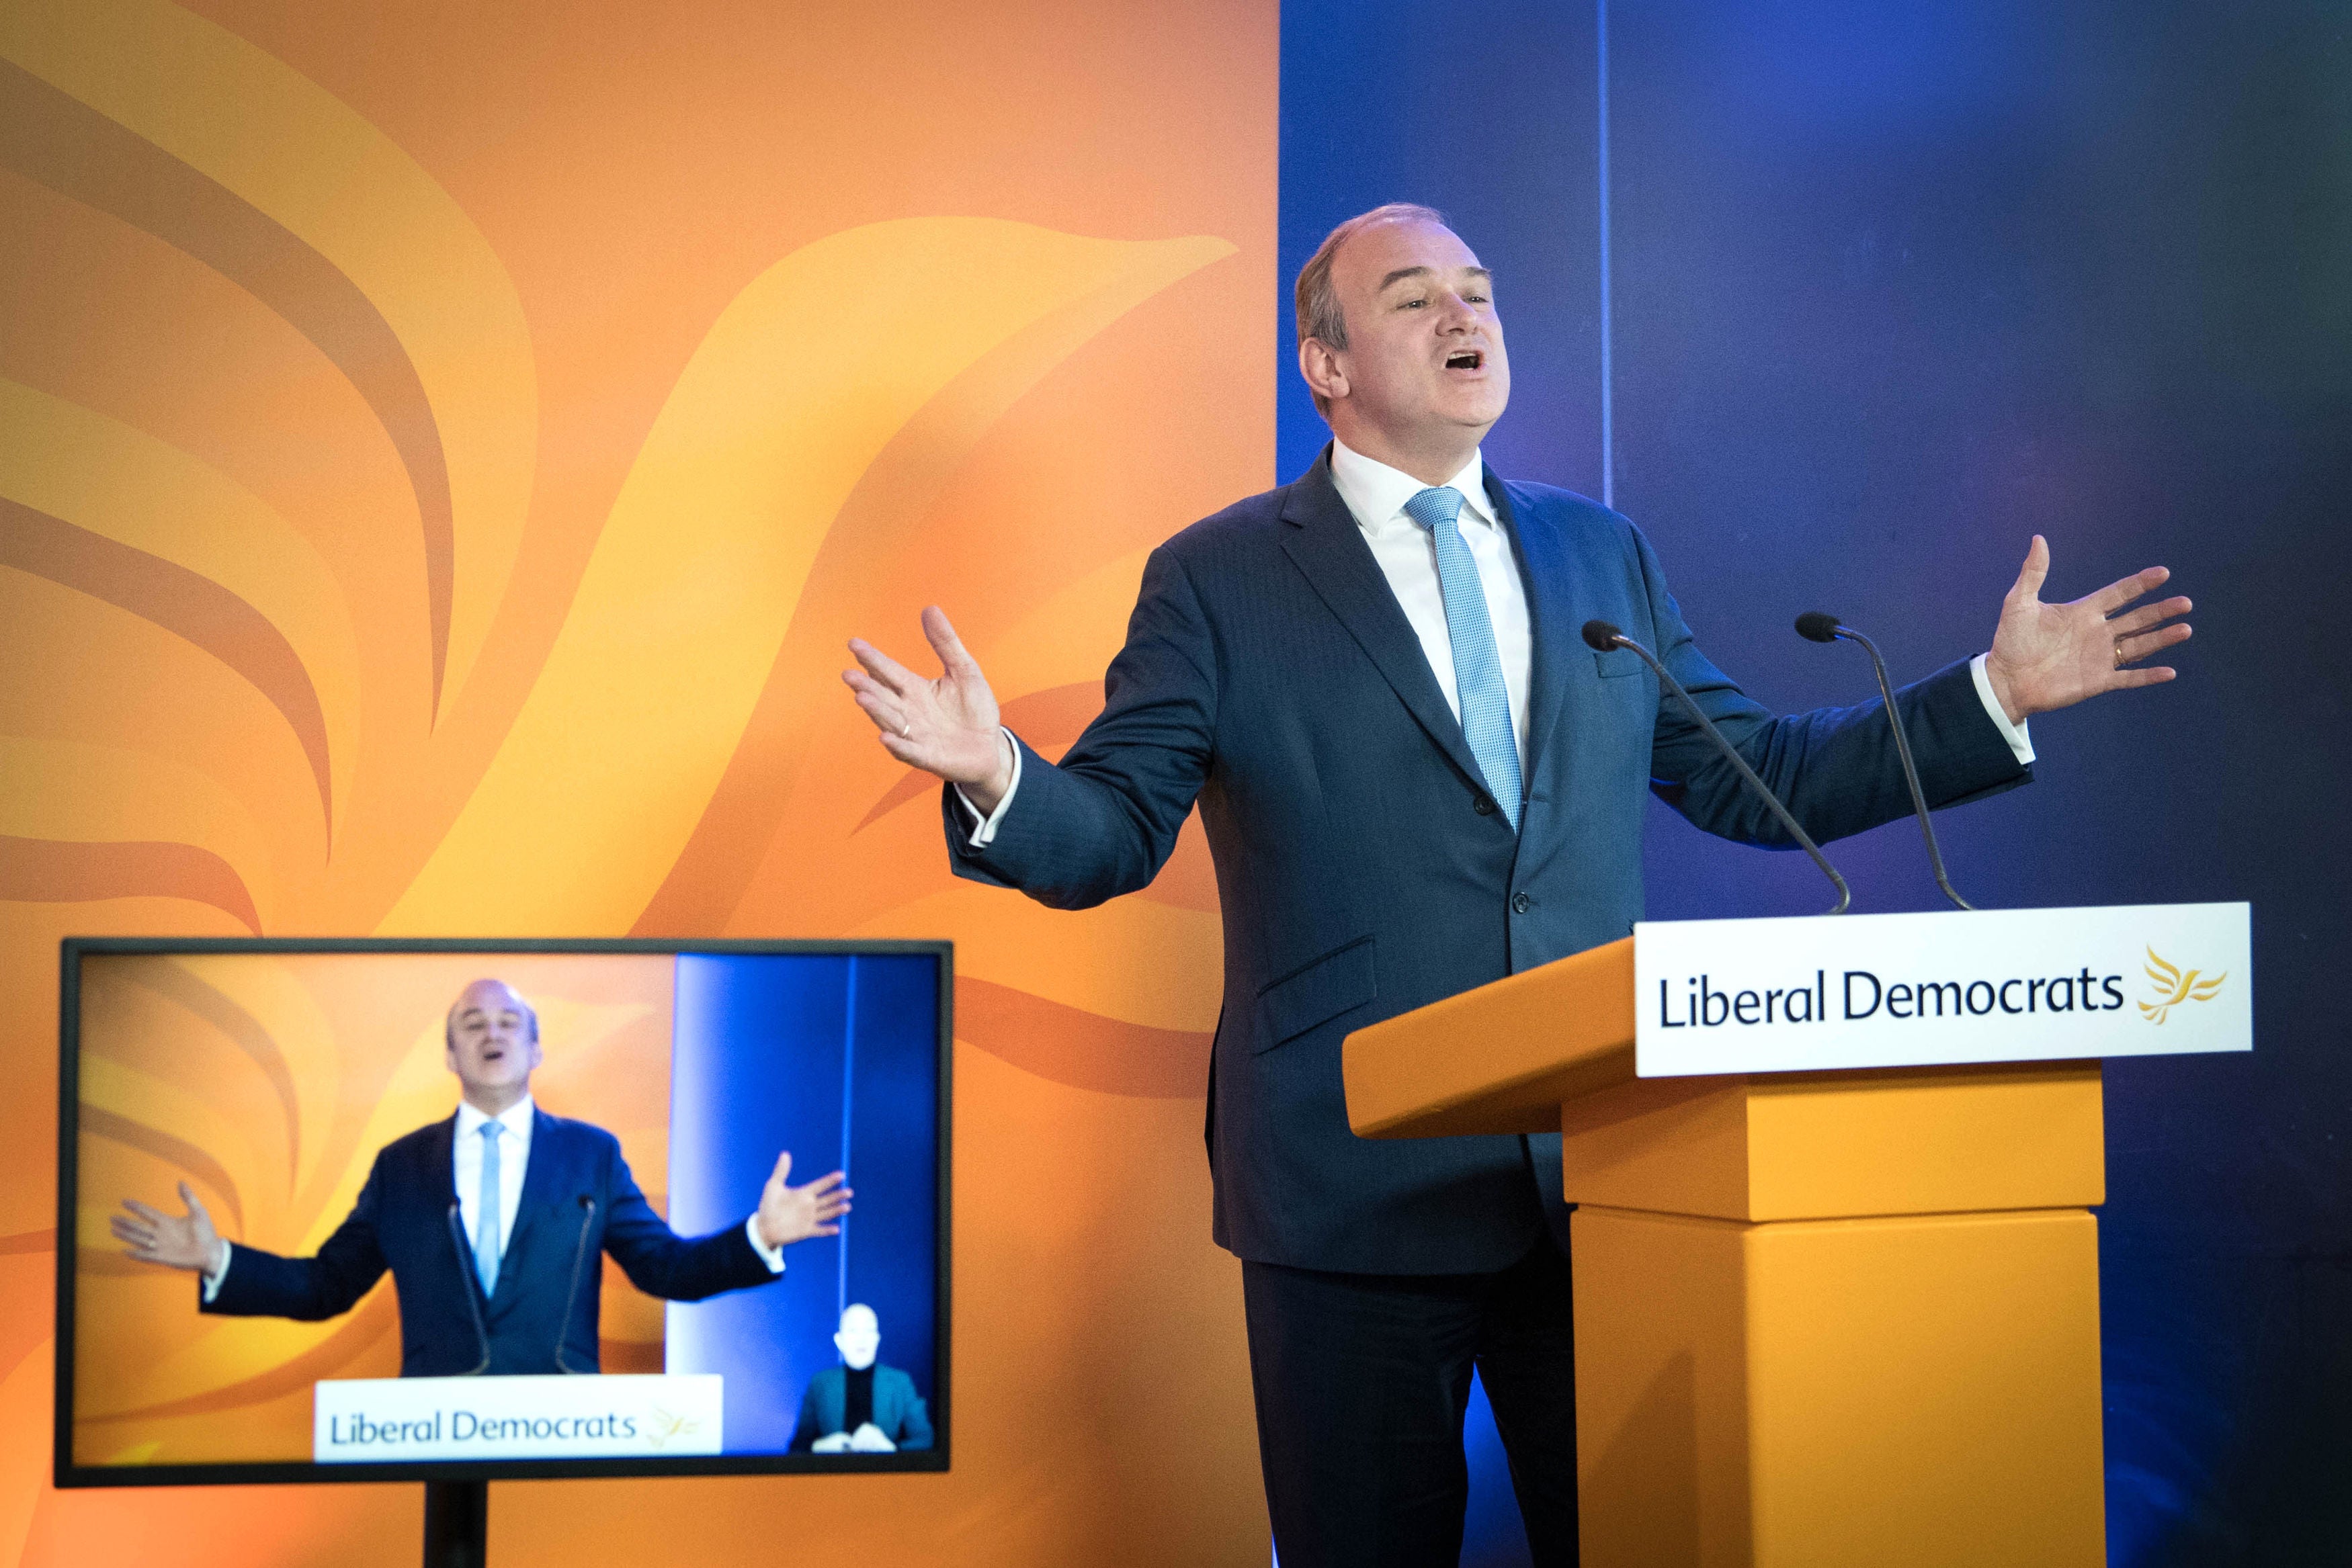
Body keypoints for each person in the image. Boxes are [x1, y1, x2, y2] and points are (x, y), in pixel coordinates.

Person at [839, 204, 2191, 1566]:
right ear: (1327, 362)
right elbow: (1117, 828)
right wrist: (995, 772)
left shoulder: (1598, 552)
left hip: (1594, 1181)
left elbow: (1755, 774)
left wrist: (1992, 695)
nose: (1463, 318)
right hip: (1347, 1182)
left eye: (1477, 293)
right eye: (1415, 297)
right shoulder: (1219, 579)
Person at [111, 977, 851, 1377]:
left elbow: (663, 1268)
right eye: (472, 1023)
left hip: (561, 1431)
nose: (490, 1032)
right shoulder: (402, 1167)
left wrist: (759, 1236)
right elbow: (325, 1287)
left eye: (507, 1023)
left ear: (534, 1050)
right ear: (450, 1056)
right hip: (435, 1430)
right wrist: (219, 1260)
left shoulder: (591, 1154)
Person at [789, 1303, 933, 1453]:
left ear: (877, 1339)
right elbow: (796, 1447)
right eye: (853, 1331)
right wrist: (819, 1447)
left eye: (869, 1330)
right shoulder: (820, 1383)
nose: (861, 1339)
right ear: (839, 1341)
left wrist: (890, 1449)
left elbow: (926, 1440)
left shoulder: (900, 1382)